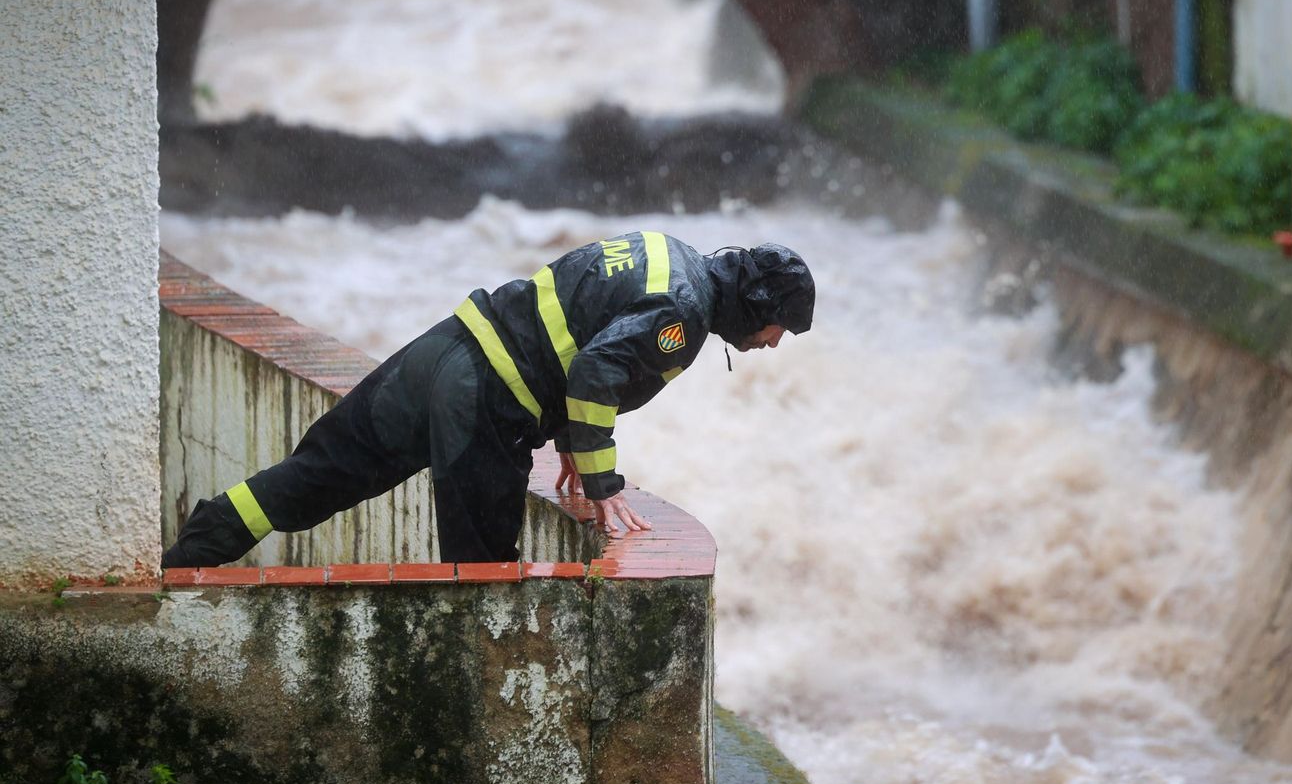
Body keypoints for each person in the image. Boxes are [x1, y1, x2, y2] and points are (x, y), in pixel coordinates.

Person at [161, 232, 814, 567]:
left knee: (318, 477)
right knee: (484, 584)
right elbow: (593, 373)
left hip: (445, 348)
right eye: (780, 326)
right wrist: (602, 477)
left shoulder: (668, 253)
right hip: (486, 405)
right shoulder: (686, 317)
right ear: (758, 303)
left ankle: (196, 546)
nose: (775, 343)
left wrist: (564, 436)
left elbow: (578, 317)